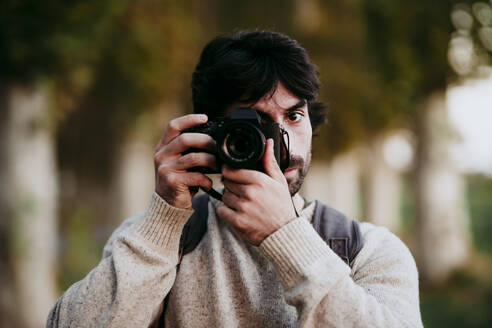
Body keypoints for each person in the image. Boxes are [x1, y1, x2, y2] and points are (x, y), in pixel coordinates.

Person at [47, 30, 423, 327]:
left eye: (294, 116)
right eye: (257, 123)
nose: (282, 140)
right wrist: (163, 218)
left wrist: (287, 238)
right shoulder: (163, 240)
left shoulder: (366, 250)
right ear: (212, 131)